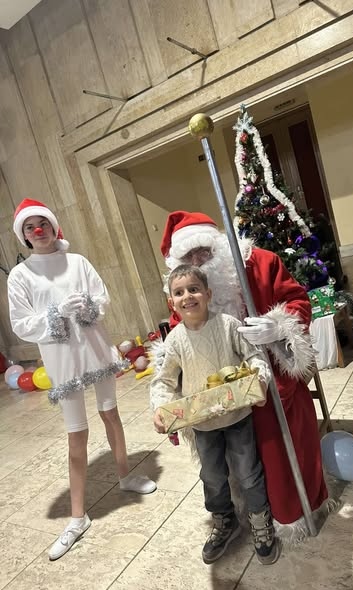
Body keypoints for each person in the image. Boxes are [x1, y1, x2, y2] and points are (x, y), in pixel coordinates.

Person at [156, 210, 331, 542]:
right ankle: (243, 513)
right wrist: (171, 400)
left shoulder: (260, 262)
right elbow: (178, 342)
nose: (199, 261)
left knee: (276, 436)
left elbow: (297, 300)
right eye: (190, 257)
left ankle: (286, 514)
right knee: (222, 461)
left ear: (219, 245)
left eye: (204, 251)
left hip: (269, 374)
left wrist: (278, 327)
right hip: (217, 394)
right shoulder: (188, 289)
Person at [7, 198, 157, 561]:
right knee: (77, 434)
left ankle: (125, 476)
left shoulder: (78, 262)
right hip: (63, 361)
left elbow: (102, 298)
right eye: (30, 227)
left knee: (111, 414)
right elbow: (22, 324)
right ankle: (77, 517)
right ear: (24, 235)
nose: (38, 230)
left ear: (53, 225)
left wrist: (87, 306)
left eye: (43, 223)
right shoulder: (20, 276)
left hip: (96, 350)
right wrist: (56, 313)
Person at [150, 264, 280, 565]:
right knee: (211, 476)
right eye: (179, 292)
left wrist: (260, 381)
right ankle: (224, 520)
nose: (187, 296)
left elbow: (254, 357)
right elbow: (164, 380)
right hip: (202, 425)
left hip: (238, 418)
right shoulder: (175, 340)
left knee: (248, 473)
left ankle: (260, 521)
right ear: (172, 302)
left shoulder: (228, 325)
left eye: (194, 289)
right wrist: (160, 407)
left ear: (208, 294)